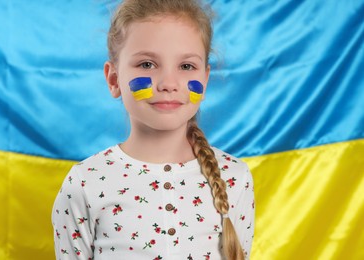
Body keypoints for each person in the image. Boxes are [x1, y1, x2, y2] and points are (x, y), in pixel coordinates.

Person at [52, 0, 255, 259]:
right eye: (147, 64)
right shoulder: (84, 183)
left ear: (204, 79)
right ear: (114, 79)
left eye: (186, 66)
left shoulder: (235, 178)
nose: (169, 83)